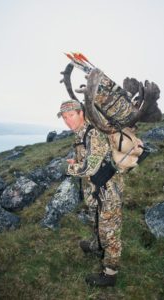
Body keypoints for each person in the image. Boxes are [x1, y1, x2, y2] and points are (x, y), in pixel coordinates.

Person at [57, 99, 123, 287]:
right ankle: (96, 246)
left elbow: (90, 168)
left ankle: (110, 274)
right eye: (64, 117)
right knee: (95, 220)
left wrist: (68, 168)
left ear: (81, 113)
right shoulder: (79, 134)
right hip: (94, 190)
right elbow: (86, 159)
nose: (68, 121)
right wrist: (75, 162)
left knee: (110, 231)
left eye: (71, 115)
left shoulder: (93, 132)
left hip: (108, 191)